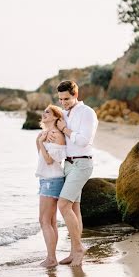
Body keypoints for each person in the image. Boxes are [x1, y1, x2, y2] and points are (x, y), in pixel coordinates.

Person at [48, 80, 98, 266]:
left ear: (75, 95)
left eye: (67, 99)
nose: (63, 102)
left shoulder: (87, 113)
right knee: (75, 209)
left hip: (82, 164)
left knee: (63, 205)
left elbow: (84, 140)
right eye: (60, 99)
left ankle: (79, 249)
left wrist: (64, 129)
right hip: (68, 165)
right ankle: (73, 250)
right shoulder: (64, 114)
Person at [36, 104, 67, 268]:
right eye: (44, 111)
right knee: (51, 221)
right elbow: (41, 157)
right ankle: (52, 257)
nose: (44, 113)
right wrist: (40, 140)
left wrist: (41, 142)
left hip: (52, 180)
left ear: (56, 116)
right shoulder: (43, 134)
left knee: (44, 220)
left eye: (48, 111)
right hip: (46, 180)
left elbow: (49, 161)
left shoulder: (56, 135)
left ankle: (51, 258)